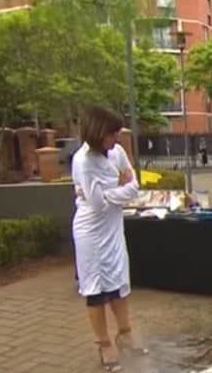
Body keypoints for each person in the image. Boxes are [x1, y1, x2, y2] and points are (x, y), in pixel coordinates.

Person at [72, 106, 148, 372]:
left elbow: (134, 187)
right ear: (98, 132)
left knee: (118, 281)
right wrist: (118, 187)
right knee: (96, 289)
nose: (117, 138)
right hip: (90, 232)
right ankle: (104, 342)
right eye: (112, 133)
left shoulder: (117, 152)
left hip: (113, 228)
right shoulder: (83, 160)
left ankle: (125, 331)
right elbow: (95, 204)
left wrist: (112, 190)